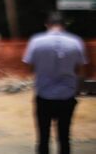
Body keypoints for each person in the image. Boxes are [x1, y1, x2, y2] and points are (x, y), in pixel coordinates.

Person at [23, 11, 88, 154]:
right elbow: (81, 70)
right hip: (67, 95)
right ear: (65, 25)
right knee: (64, 137)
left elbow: (29, 67)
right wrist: (78, 89)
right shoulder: (76, 42)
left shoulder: (36, 41)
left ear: (47, 24)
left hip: (44, 95)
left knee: (43, 137)